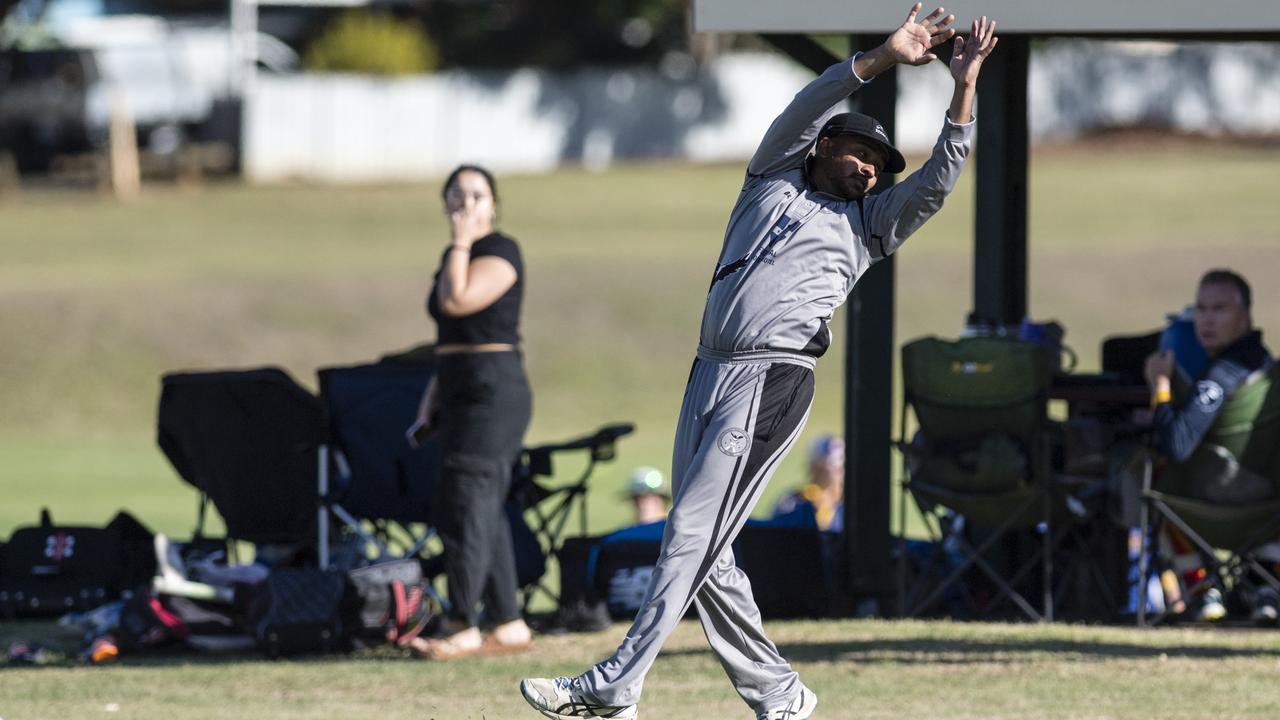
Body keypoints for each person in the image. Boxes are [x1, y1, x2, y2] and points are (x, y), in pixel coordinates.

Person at [520, 6, 997, 718]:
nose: (870, 168)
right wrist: (884, 58)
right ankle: (780, 695)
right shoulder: (769, 177)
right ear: (823, 146)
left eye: (878, 165)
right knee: (706, 551)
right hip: (708, 370)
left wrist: (963, 90)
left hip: (772, 380)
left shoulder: (868, 226)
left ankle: (617, 686)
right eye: (859, 153)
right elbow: (809, 104)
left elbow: (939, 179)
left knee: (688, 533)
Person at [408, 164, 534, 659]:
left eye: (476, 195)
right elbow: (451, 336)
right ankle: (508, 622)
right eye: (456, 195)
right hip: (457, 387)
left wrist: (462, 242)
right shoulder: (452, 255)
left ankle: (462, 622)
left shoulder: (501, 250)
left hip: (494, 392)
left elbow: (459, 301)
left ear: (493, 205)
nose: (465, 204)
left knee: (467, 499)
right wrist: (433, 396)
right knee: (483, 503)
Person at [1140, 269, 1274, 622]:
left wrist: (1161, 387)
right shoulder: (1267, 369)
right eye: (1200, 309)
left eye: (1219, 309)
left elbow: (1179, 444)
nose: (1206, 321)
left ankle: (1202, 588)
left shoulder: (1225, 374)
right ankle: (1266, 582)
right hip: (1269, 510)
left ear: (1245, 316)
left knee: (1143, 472)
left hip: (1208, 505)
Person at [772, 434, 845, 531]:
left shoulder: (850, 504)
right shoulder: (793, 502)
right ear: (813, 467)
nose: (833, 474)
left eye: (838, 469)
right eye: (823, 469)